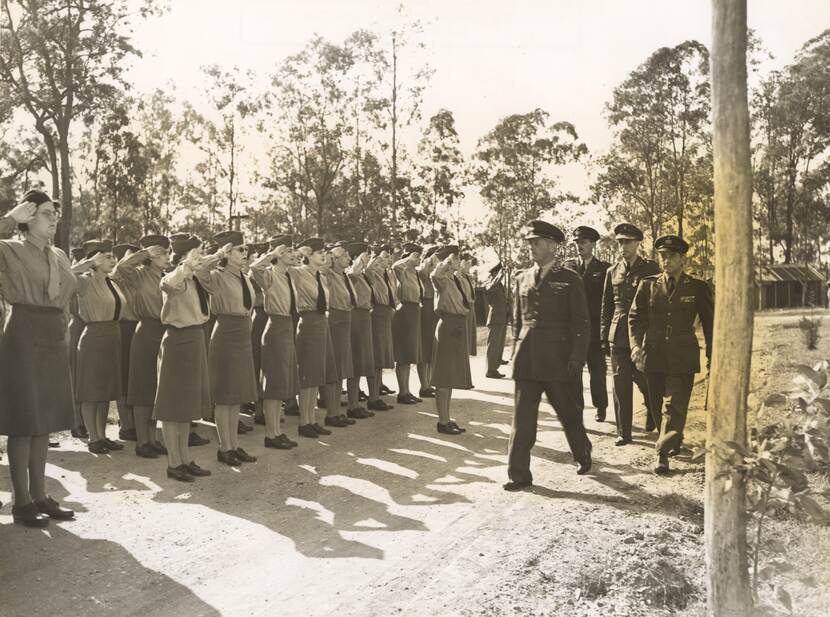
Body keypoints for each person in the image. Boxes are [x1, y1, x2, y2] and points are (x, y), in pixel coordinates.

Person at [0, 190, 77, 526]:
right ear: (28, 217)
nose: (54, 218)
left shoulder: (58, 253)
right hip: (24, 334)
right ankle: (21, 501)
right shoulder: (11, 249)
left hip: (52, 334)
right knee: (24, 420)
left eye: (55, 213)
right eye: (46, 212)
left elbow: (66, 293)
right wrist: (7, 220)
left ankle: (41, 494)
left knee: (43, 421)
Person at [504, 220, 592, 492]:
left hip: (558, 359)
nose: (532, 247)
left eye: (537, 242)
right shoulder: (520, 278)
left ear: (553, 246)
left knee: (568, 414)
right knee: (523, 421)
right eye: (529, 242)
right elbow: (517, 322)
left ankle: (582, 452)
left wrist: (577, 358)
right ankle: (518, 475)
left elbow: (581, 322)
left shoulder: (569, 278)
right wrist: (513, 351)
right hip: (527, 359)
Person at [629, 234, 713, 474]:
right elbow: (635, 318)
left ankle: (661, 454)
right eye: (663, 256)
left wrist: (711, 356)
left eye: (672, 256)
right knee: (656, 405)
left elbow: (710, 324)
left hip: (682, 356)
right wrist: (635, 346)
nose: (666, 261)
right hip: (653, 354)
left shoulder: (697, 287)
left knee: (673, 405)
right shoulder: (648, 285)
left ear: (682, 258)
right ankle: (671, 438)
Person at [196, 231, 259, 466]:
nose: (246, 253)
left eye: (246, 249)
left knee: (237, 395)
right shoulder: (217, 275)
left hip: (242, 334)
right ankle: (224, 448)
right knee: (224, 396)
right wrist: (217, 254)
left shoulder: (243, 276)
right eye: (240, 249)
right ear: (227, 252)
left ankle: (234, 444)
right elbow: (200, 271)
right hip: (226, 333)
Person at [154, 235, 213, 482]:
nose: (200, 256)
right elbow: (169, 284)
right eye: (196, 252)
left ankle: (185, 459)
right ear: (184, 255)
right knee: (172, 406)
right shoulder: (173, 277)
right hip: (178, 340)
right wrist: (186, 266)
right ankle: (173, 463)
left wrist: (202, 263)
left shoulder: (196, 278)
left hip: (195, 338)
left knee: (186, 405)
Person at [111, 234, 171, 458]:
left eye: (167, 252)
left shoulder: (166, 276)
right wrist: (145, 252)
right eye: (162, 253)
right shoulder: (138, 275)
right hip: (146, 330)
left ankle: (153, 438)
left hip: (165, 331)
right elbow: (119, 269)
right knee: (142, 386)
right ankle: (141, 441)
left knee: (157, 387)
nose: (166, 257)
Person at [600, 222, 660, 446]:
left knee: (645, 379)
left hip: (642, 333)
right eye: (620, 243)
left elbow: (656, 303)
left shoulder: (651, 269)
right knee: (620, 383)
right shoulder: (612, 272)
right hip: (618, 334)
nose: (623, 246)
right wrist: (604, 335)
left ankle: (652, 410)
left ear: (638, 243)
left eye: (628, 242)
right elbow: (606, 306)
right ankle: (624, 432)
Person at [73, 240, 128, 455]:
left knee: (105, 390)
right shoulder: (84, 281)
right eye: (107, 256)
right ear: (95, 260)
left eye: (113, 256)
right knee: (91, 390)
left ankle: (102, 435)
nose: (113, 259)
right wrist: (87, 263)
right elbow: (66, 274)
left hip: (112, 336)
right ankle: (93, 438)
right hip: (95, 336)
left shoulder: (111, 281)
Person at [249, 234, 300, 449]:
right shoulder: (269, 275)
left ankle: (277, 432)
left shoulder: (289, 275)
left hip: (288, 325)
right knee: (273, 382)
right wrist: (271, 253)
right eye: (286, 251)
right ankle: (271, 434)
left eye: (290, 250)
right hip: (275, 326)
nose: (291, 254)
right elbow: (254, 268)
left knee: (281, 381)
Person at [292, 237, 336, 438]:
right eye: (319, 252)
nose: (324, 255)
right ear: (308, 255)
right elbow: (269, 268)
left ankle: (311, 419)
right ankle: (303, 422)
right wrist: (298, 252)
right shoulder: (299, 273)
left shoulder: (321, 276)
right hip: (308, 322)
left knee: (316, 374)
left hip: (321, 322)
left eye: (324, 252)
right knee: (307, 375)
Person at [565, 226, 611, 422]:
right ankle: (576, 409)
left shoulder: (604, 269)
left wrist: (604, 331)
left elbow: (607, 302)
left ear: (593, 244)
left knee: (597, 371)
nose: (579, 247)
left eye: (583, 242)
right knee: (573, 371)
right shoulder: (568, 267)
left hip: (593, 330)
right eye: (577, 243)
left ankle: (600, 406)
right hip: (573, 331)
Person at [429, 245, 472, 435]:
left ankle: (446, 418)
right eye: (455, 258)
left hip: (458, 326)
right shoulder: (442, 279)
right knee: (444, 377)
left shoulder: (456, 279)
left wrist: (459, 270)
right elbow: (434, 275)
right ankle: (442, 421)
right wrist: (444, 262)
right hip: (448, 326)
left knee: (451, 376)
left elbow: (469, 299)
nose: (458, 261)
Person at [325, 241, 360, 426]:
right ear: (334, 259)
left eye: (347, 255)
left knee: (342, 367)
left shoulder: (344, 276)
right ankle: (332, 412)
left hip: (346, 318)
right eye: (343, 256)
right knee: (335, 367)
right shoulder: (329, 275)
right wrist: (328, 258)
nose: (348, 258)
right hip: (336, 319)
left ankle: (336, 410)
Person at [344, 241, 376, 419]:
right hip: (356, 317)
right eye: (365, 254)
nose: (368, 258)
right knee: (355, 361)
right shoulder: (352, 274)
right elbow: (353, 272)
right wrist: (359, 260)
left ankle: (355, 402)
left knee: (362, 361)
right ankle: (352, 404)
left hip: (364, 318)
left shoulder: (363, 275)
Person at [364, 245, 396, 411]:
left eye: (389, 257)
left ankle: (376, 392)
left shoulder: (387, 274)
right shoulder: (373, 274)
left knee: (381, 356)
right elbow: (368, 269)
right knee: (376, 356)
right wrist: (374, 258)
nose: (388, 260)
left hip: (385, 315)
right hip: (377, 314)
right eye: (383, 257)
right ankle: (372, 396)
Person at [112, 243, 139, 441]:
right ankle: (125, 424)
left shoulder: (135, 279)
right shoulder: (114, 279)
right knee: (123, 377)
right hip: (124, 328)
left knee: (134, 377)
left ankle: (134, 423)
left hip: (137, 327)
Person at [392, 241, 424, 404]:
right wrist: (408, 257)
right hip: (404, 312)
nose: (419, 259)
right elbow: (395, 265)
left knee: (410, 355)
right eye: (417, 255)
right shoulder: (402, 270)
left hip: (414, 312)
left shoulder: (415, 273)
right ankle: (402, 392)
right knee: (403, 355)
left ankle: (407, 390)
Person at [247, 242, 269, 420]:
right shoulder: (253, 276)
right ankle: (259, 408)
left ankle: (266, 408)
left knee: (269, 365)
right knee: (257, 363)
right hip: (260, 317)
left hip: (269, 317)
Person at [68, 246, 88, 439]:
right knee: (76, 377)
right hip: (77, 327)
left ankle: (82, 419)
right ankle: (76, 421)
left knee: (85, 377)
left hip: (87, 327)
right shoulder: (75, 281)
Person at [416, 246, 439, 399]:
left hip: (434, 310)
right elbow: (423, 271)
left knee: (431, 349)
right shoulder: (422, 272)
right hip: (425, 309)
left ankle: (429, 383)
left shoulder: (436, 273)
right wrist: (430, 259)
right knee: (424, 349)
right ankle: (424, 385)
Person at [484, 262, 509, 379]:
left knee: (499, 345)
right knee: (493, 346)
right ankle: (490, 370)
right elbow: (491, 287)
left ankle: (495, 368)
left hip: (502, 317)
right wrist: (500, 275)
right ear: (495, 273)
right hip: (495, 318)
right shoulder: (491, 283)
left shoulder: (499, 285)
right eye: (499, 272)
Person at [458, 253, 478, 356]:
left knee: (470, 335)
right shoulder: (458, 277)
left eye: (469, 263)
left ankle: (467, 354)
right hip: (464, 306)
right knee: (464, 335)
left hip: (471, 306)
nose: (469, 265)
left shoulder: (467, 277)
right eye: (466, 262)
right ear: (461, 263)